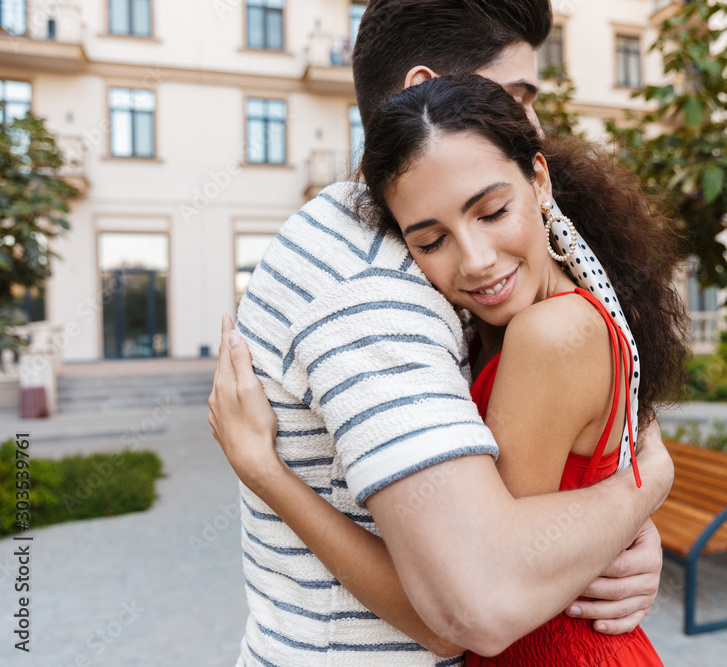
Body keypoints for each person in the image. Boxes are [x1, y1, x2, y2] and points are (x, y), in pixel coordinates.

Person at [209, 1, 681, 665]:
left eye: (491, 210)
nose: (535, 125)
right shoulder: (372, 283)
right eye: (516, 98)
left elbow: (514, 554)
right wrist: (639, 488)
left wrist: (636, 494)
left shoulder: (448, 272)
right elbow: (478, 599)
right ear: (423, 93)